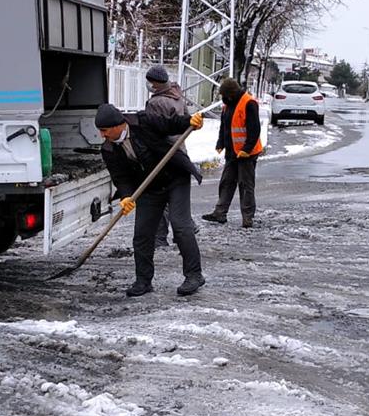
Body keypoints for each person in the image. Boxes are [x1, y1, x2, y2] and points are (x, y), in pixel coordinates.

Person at [95, 102, 205, 297]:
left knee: (180, 226)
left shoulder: (143, 122)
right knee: (142, 234)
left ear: (117, 125)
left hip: (174, 179)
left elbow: (171, 124)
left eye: (104, 130)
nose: (102, 135)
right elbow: (120, 176)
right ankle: (143, 281)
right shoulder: (108, 149)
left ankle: (194, 275)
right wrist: (126, 195)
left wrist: (191, 121)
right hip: (148, 188)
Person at [142, 64, 202, 249]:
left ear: (157, 84)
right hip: (179, 151)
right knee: (174, 195)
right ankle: (187, 226)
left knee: (161, 194)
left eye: (150, 82)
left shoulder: (156, 103)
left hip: (164, 152)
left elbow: (154, 129)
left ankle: (160, 238)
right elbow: (185, 121)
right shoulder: (177, 94)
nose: (148, 85)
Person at [201, 77, 262, 229]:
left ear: (231, 94)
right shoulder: (227, 106)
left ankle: (247, 218)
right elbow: (225, 127)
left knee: (245, 185)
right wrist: (220, 142)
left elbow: (254, 131)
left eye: (224, 96)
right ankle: (219, 213)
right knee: (226, 182)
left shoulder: (249, 103)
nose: (223, 99)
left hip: (247, 154)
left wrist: (246, 150)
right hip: (232, 152)